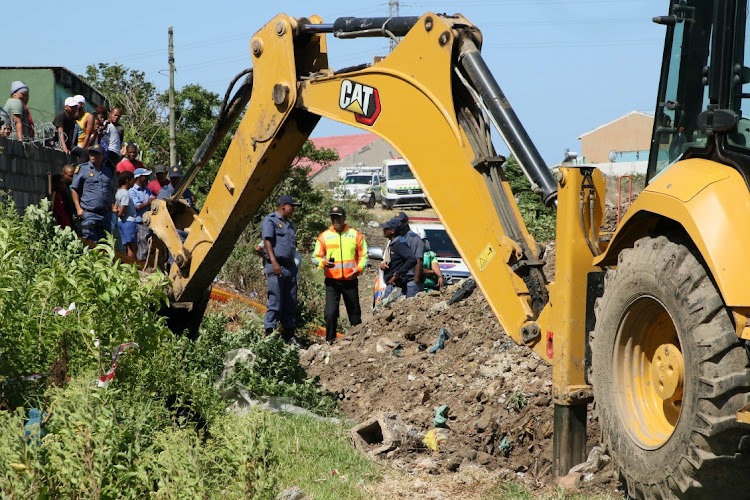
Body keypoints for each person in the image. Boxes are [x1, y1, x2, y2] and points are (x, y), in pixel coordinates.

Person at [312, 206, 368, 344]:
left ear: (344, 218)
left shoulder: (355, 235)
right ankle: (330, 341)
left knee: (354, 312)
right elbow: (315, 257)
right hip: (332, 281)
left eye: (338, 217)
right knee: (330, 312)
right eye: (333, 217)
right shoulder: (324, 236)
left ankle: (359, 340)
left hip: (350, 280)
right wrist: (323, 262)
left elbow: (364, 255)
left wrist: (359, 269)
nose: (335, 220)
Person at [261, 194, 303, 347]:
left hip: (290, 268)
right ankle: (269, 334)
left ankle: (289, 335)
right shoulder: (270, 220)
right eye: (292, 206)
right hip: (276, 265)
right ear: (284, 206)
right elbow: (267, 241)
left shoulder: (289, 224)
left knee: (290, 301)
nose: (293, 210)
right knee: (275, 300)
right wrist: (273, 262)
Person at [70, 144, 114, 243]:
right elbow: (74, 190)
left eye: (97, 154)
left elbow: (110, 190)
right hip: (89, 213)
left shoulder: (107, 170)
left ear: (103, 156)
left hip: (105, 215)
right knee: (90, 244)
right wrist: (78, 208)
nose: (93, 156)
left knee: (105, 245)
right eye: (92, 153)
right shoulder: (82, 169)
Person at [380, 217, 417, 299]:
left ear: (393, 231)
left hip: (396, 286)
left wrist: (397, 274)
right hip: (391, 285)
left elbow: (412, 259)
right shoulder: (393, 242)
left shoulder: (400, 243)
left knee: (385, 309)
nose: (384, 230)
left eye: (386, 229)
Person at [396, 211, 425, 297]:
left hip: (410, 281)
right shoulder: (396, 238)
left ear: (405, 222)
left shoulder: (414, 239)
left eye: (399, 222)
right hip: (397, 281)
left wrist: (415, 281)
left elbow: (418, 261)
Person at [129, 167, 155, 260]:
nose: (147, 178)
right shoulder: (132, 191)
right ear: (139, 177)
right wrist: (148, 202)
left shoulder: (147, 190)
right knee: (142, 242)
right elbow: (137, 206)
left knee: (148, 244)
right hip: (140, 221)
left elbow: (153, 199)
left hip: (149, 221)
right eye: (145, 176)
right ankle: (141, 262)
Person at [115, 171, 138, 257]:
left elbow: (116, 205)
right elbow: (121, 211)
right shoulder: (125, 194)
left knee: (128, 245)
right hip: (128, 222)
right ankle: (131, 265)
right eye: (133, 180)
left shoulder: (119, 192)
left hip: (122, 222)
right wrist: (118, 213)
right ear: (128, 181)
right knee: (132, 247)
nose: (134, 182)